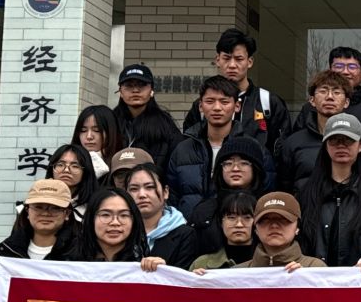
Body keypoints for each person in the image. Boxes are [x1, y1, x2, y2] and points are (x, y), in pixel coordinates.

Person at [299, 112, 361, 266]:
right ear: (326, 146)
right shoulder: (309, 191)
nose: (341, 145)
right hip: (317, 276)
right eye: (334, 140)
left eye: (348, 140)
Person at [182, 27, 291, 148]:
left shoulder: (269, 103)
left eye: (239, 59)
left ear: (250, 62)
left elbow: (282, 149)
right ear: (218, 60)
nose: (232, 65)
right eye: (226, 58)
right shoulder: (203, 105)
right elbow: (189, 146)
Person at [165, 76, 244, 218]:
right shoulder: (182, 150)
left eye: (224, 102)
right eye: (210, 101)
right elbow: (171, 197)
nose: (217, 108)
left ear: (237, 106)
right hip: (188, 226)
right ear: (200, 106)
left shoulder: (250, 148)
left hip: (233, 227)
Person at [184, 137, 273, 258]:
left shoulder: (269, 208)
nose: (235, 169)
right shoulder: (204, 211)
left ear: (255, 168)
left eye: (244, 163)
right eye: (228, 163)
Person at [276, 68, 357, 190]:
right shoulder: (293, 143)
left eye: (336, 92)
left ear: (346, 102)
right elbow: (284, 187)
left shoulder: (355, 142)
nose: (329, 97)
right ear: (312, 100)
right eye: (323, 91)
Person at [57, 187, 164, 268]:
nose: (115, 222)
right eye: (105, 215)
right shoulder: (66, 265)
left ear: (134, 220)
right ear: (91, 219)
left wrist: (161, 272)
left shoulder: (143, 267)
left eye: (124, 215)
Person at [113, 63, 183, 168]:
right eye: (129, 85)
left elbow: (177, 161)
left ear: (152, 90)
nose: (135, 90)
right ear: (121, 92)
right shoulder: (111, 121)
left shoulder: (165, 124)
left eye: (141, 85)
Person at [124, 164, 195, 266]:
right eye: (134, 189)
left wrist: (164, 270)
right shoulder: (119, 231)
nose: (142, 195)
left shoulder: (185, 234)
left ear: (165, 192)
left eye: (150, 187)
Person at [238, 192, 323, 270]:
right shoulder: (238, 272)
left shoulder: (315, 268)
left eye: (283, 219)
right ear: (256, 229)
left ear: (297, 227)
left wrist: (306, 277)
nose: (274, 225)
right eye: (265, 220)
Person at [189, 189, 262, 272]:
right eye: (231, 218)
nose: (239, 225)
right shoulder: (201, 264)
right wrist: (194, 278)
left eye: (247, 218)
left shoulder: (269, 264)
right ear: (221, 222)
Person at [73, 105, 121, 182]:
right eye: (83, 130)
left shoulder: (122, 164)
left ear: (111, 132)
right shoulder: (66, 162)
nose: (89, 136)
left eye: (96, 130)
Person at [47, 144, 94, 211]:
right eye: (60, 165)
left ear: (86, 171)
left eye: (75, 166)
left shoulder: (95, 205)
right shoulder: (40, 198)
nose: (66, 170)